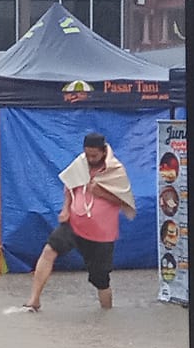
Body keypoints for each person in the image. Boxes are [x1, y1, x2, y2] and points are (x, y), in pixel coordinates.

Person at [25, 132, 134, 310]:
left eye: (94, 155)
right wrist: (66, 208)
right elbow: (69, 186)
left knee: (101, 280)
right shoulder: (81, 163)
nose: (90, 158)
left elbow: (125, 202)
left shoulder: (116, 170)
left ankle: (106, 317)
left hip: (102, 233)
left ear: (103, 152)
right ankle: (34, 300)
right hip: (75, 223)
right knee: (49, 250)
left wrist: (101, 193)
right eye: (88, 154)